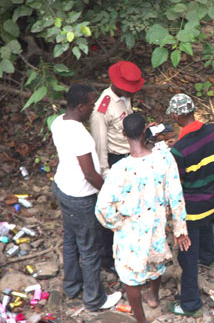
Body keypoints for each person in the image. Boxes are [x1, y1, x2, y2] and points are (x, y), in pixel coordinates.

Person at [95, 113, 191, 323]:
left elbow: (101, 208)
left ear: (123, 134)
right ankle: (154, 297)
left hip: (129, 231)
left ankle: (141, 319)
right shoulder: (164, 158)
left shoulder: (120, 169)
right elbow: (176, 196)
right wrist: (179, 229)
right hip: (156, 225)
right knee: (155, 263)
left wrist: (117, 224)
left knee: (131, 276)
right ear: (145, 130)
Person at [50, 84, 122, 311]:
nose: (94, 107)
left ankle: (72, 286)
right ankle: (94, 299)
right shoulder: (79, 134)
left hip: (63, 187)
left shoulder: (58, 122)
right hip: (80, 197)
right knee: (90, 249)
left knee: (71, 240)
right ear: (80, 106)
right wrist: (109, 192)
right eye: (91, 103)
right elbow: (90, 174)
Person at [166, 94, 214, 318]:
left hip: (192, 206)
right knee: (206, 224)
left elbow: (177, 183)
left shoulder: (180, 151)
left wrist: (174, 151)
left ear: (175, 115)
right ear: (193, 110)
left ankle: (191, 304)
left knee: (186, 252)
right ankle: (210, 258)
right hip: (212, 197)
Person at [90, 60, 144, 272]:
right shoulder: (102, 109)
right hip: (114, 160)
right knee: (112, 207)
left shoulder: (125, 97)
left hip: (129, 154)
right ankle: (108, 258)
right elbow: (99, 144)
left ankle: (127, 245)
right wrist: (105, 174)